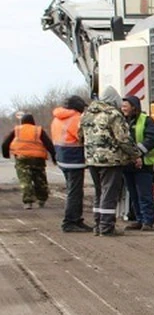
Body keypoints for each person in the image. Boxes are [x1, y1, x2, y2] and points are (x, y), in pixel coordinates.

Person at [78, 87, 140, 236]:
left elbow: (79, 135)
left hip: (92, 159)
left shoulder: (86, 114)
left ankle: (98, 225)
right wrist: (135, 155)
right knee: (109, 193)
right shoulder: (113, 115)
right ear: (114, 100)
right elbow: (123, 139)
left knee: (99, 192)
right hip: (110, 160)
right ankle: (107, 227)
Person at [52, 95, 93, 232]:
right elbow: (83, 137)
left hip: (63, 158)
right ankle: (70, 222)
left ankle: (76, 220)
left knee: (73, 191)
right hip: (74, 159)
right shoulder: (76, 119)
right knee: (75, 193)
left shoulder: (57, 118)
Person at [120, 95, 154, 230]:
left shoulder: (147, 120)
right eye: (122, 106)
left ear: (134, 107)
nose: (123, 108)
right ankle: (139, 219)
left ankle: (147, 221)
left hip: (144, 164)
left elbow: (153, 138)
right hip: (127, 164)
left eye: (126, 106)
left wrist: (137, 153)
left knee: (145, 194)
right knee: (133, 194)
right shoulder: (121, 121)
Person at [2, 114, 56, 209]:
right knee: (40, 179)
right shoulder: (38, 130)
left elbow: (5, 143)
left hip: (22, 158)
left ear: (22, 121)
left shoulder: (17, 130)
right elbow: (49, 144)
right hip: (38, 159)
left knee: (25, 179)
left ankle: (28, 201)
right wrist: (54, 157)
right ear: (33, 121)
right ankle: (42, 199)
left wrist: (6, 155)